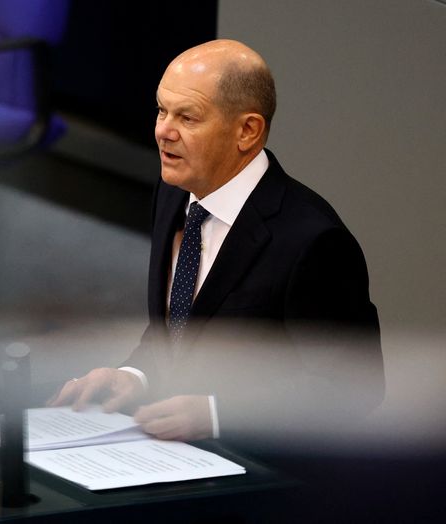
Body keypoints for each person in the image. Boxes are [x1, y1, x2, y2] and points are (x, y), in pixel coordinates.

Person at [51, 39, 384, 442]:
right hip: (169, 450)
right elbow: (178, 333)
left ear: (247, 130)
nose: (163, 132)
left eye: (187, 118)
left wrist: (218, 415)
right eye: (161, 110)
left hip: (262, 473)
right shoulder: (175, 191)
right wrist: (132, 376)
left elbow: (351, 388)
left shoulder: (314, 242)